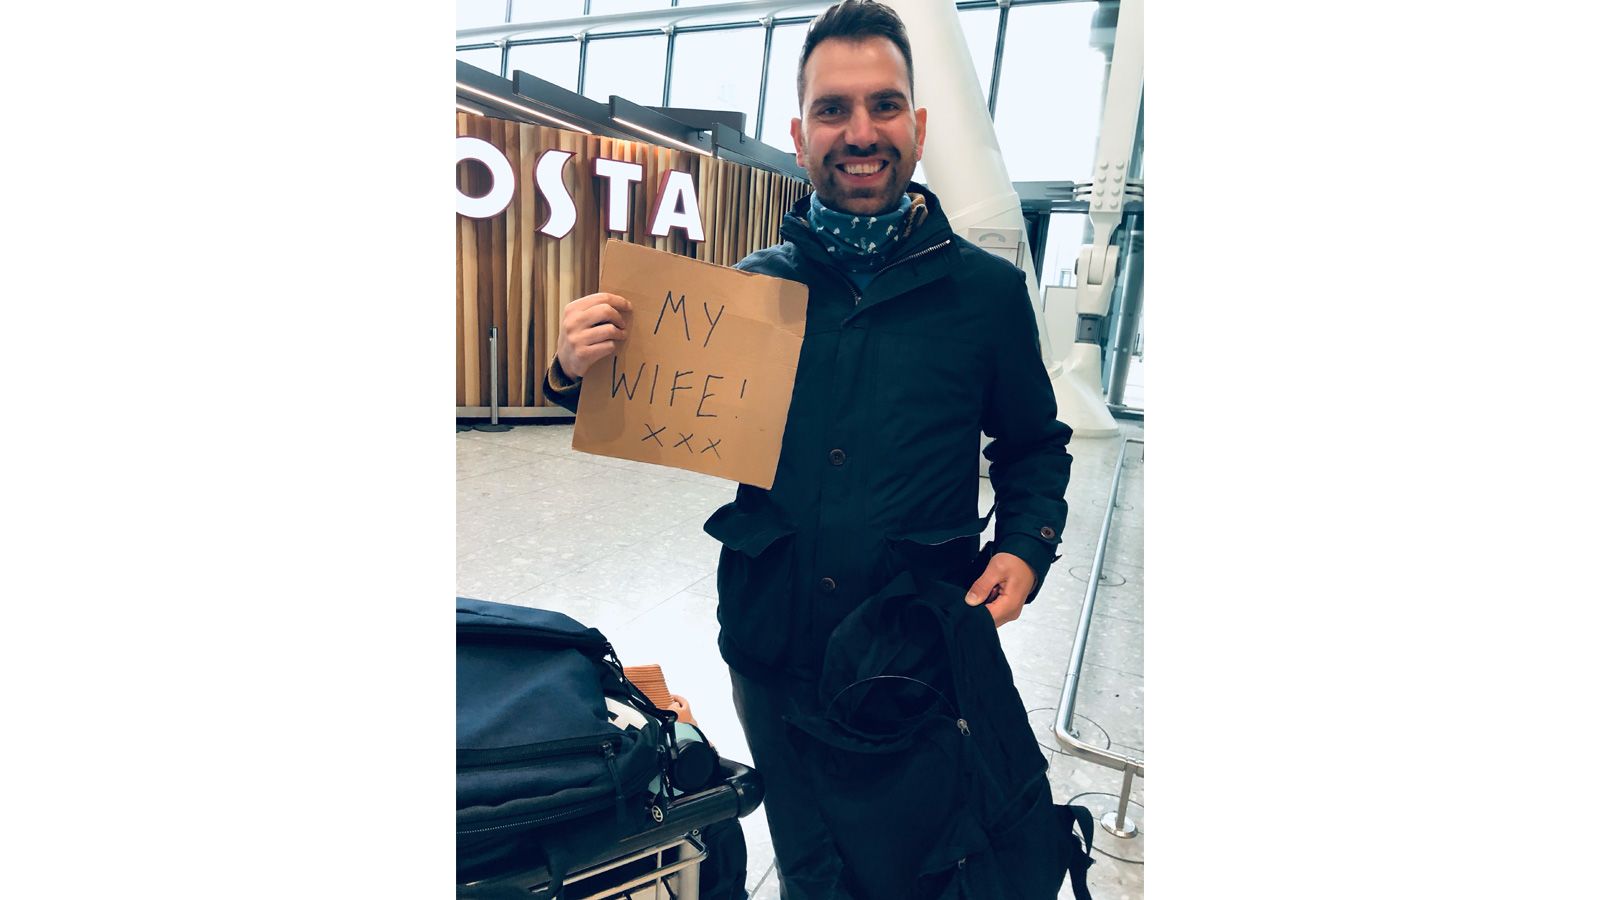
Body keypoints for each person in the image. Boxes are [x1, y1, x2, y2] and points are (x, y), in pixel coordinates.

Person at [545, 2, 1072, 895]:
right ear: (799, 134)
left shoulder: (984, 296)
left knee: (913, 858)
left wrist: (1026, 544)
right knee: (810, 860)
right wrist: (572, 369)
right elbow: (639, 402)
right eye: (833, 110)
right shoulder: (751, 293)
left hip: (916, 645)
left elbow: (1034, 447)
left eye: (884, 106)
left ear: (920, 126)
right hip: (773, 643)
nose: (859, 132)